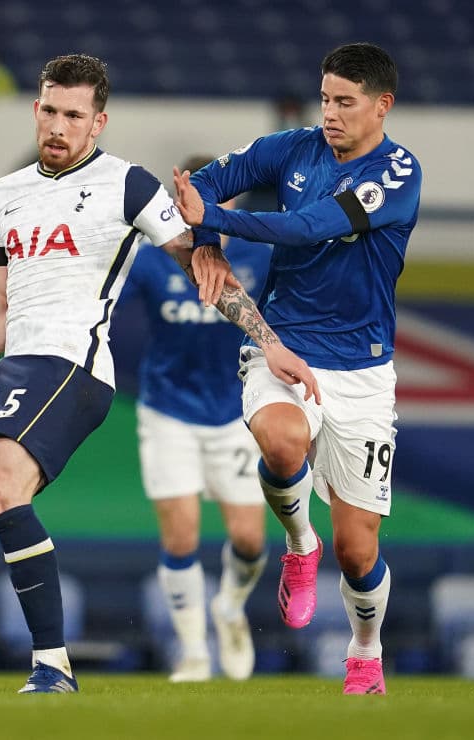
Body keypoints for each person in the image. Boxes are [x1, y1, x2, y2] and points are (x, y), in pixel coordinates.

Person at [0, 53, 317, 695]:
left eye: (74, 115)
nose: (59, 125)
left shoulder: (128, 185)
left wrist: (268, 343)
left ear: (98, 122)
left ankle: (53, 666)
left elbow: (203, 267)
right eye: (50, 109)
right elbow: (6, 305)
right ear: (35, 109)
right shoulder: (5, 196)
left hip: (75, 367)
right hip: (16, 370)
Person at [172, 42, 422, 695]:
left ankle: (365, 650)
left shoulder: (396, 173)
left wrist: (216, 221)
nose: (331, 113)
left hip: (364, 372)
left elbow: (312, 226)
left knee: (360, 551)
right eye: (327, 98)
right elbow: (200, 184)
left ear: (381, 105)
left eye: (346, 102)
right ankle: (298, 543)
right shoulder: (292, 147)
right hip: (284, 344)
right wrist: (206, 245)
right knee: (282, 440)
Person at [117, 155, 272, 682]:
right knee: (180, 538)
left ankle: (229, 607)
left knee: (250, 541)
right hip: (169, 411)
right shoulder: (154, 257)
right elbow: (104, 294)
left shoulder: (258, 253)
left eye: (219, 198)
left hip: (236, 413)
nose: (208, 209)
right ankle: (193, 653)